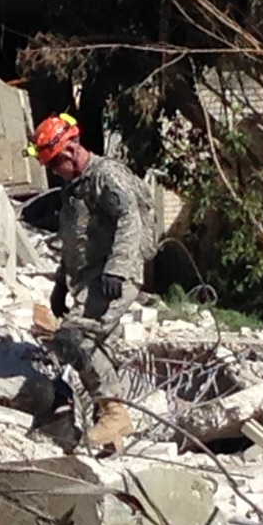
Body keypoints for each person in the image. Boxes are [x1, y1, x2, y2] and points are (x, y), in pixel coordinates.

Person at [26, 114, 157, 449]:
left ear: (70, 149)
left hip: (113, 277)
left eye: (55, 164)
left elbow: (130, 219)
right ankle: (110, 427)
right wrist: (60, 282)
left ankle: (114, 414)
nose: (54, 171)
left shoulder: (106, 176)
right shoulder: (74, 188)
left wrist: (117, 268)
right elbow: (75, 239)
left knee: (73, 337)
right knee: (97, 346)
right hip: (88, 279)